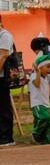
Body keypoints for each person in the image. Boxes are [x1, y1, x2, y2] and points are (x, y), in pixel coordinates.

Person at [29, 54, 50, 144]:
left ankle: (45, 140)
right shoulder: (34, 76)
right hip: (38, 103)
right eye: (48, 67)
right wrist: (38, 72)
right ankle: (35, 134)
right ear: (40, 67)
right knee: (44, 118)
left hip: (46, 103)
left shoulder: (47, 77)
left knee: (48, 123)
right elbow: (37, 84)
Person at [0, 15, 15, 147]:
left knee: (3, 106)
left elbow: (3, 55)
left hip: (1, 76)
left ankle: (6, 137)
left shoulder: (5, 36)